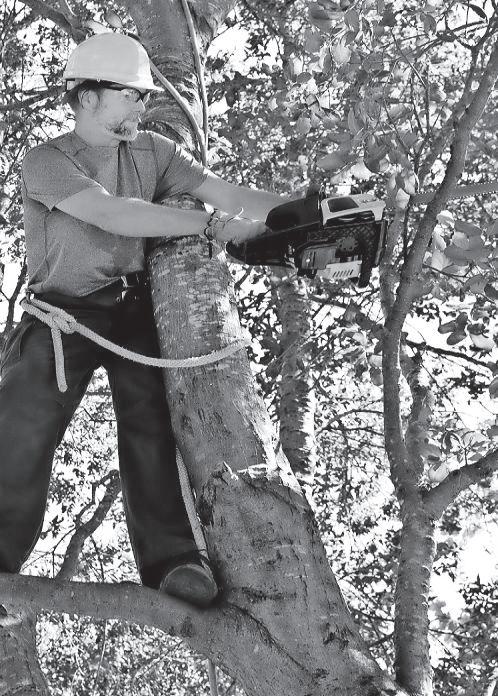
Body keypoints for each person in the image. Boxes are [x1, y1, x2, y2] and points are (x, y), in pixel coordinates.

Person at [0, 32, 286, 608]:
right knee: (22, 418)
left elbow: (227, 193)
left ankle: (173, 561)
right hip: (63, 314)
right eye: (130, 94)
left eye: (143, 96)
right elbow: (111, 214)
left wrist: (301, 211)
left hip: (132, 309)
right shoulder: (47, 160)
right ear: (87, 96)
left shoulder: (154, 151)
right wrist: (210, 227)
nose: (141, 105)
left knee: (151, 422)